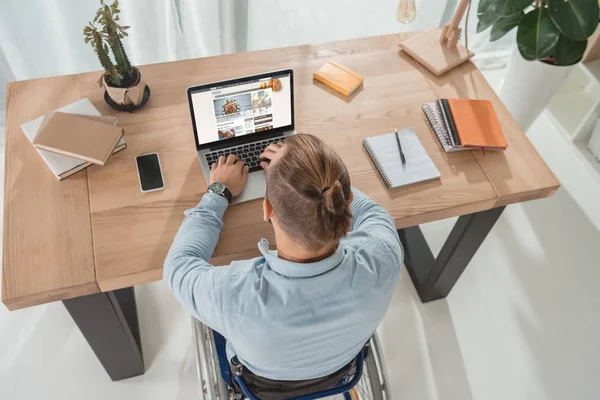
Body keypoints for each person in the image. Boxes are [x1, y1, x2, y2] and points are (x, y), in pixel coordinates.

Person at [164, 134, 403, 383]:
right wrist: (308, 171)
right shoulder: (384, 256)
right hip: (341, 366)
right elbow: (373, 212)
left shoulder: (230, 295)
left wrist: (218, 191)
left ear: (267, 209)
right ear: (347, 200)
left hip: (261, 381)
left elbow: (178, 264)